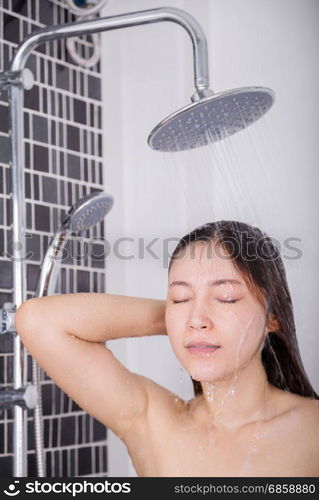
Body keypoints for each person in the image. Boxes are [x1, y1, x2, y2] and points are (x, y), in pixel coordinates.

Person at [15, 220, 319, 477]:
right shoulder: (151, 423)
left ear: (273, 316)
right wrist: (179, 323)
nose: (197, 319)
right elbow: (36, 320)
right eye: (180, 298)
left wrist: (186, 314)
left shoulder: (312, 431)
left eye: (226, 297)